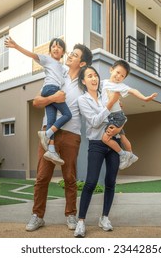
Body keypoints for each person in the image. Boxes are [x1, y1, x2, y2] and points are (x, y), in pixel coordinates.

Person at [25, 43, 93, 232]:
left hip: (72, 134)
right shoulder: (56, 73)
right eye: (70, 52)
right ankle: (37, 216)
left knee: (70, 178)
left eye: (75, 54)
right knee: (41, 177)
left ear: (82, 63)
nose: (70, 55)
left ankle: (71, 215)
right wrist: (53, 99)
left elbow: (98, 99)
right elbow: (37, 101)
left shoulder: (85, 83)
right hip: (49, 132)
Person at [74, 65, 125, 238]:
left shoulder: (106, 93)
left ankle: (104, 218)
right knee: (91, 182)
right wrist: (110, 105)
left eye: (95, 75)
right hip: (96, 143)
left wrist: (116, 124)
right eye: (89, 76)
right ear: (83, 81)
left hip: (114, 142)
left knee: (110, 181)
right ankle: (81, 221)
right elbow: (95, 122)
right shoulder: (83, 100)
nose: (94, 78)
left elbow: (119, 115)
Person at [5, 37, 71, 166]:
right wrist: (16, 46)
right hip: (50, 89)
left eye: (59, 46)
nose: (56, 48)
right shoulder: (47, 60)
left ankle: (51, 150)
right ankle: (47, 133)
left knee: (50, 121)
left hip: (51, 90)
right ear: (50, 50)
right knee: (67, 115)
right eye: (53, 46)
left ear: (63, 51)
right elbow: (31, 54)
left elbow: (70, 73)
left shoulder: (62, 67)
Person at [101, 60, 158, 170]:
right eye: (117, 72)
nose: (119, 77)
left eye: (122, 76)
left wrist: (145, 98)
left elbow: (133, 90)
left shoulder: (120, 86)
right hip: (113, 116)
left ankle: (123, 154)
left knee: (105, 139)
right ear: (111, 70)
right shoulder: (103, 83)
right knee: (122, 137)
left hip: (116, 116)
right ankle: (131, 155)